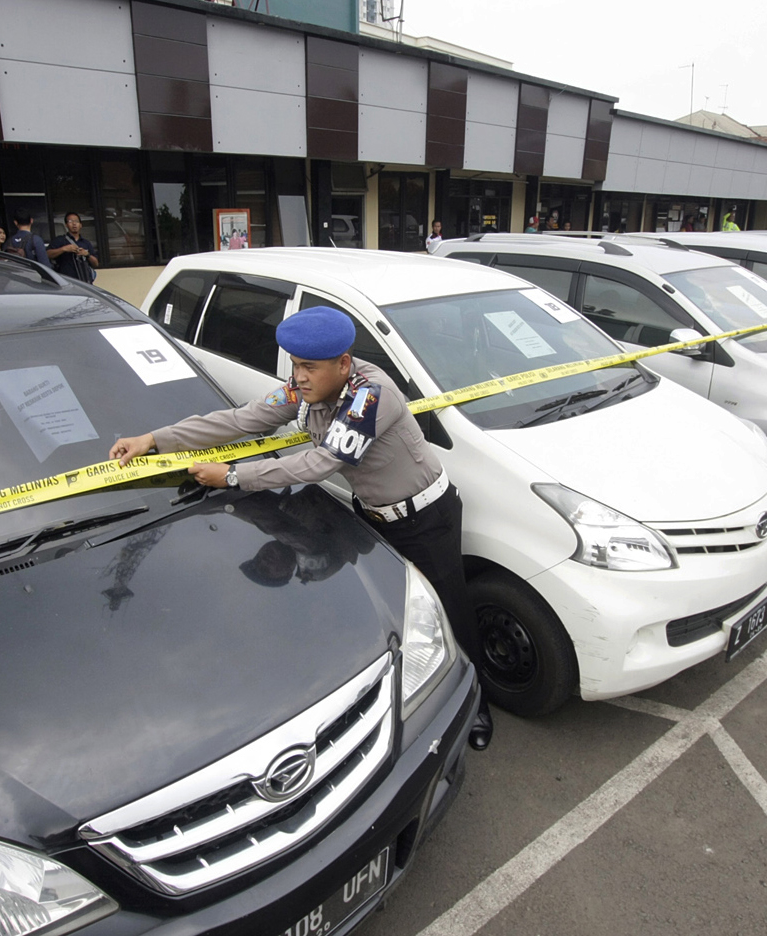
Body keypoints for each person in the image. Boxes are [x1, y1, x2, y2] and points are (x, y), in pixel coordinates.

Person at [109, 306, 494, 750]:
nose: (298, 377)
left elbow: (319, 463)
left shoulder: (371, 396)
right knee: (401, 610)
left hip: (425, 518)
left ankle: (476, 701)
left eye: (309, 366)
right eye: (294, 365)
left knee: (449, 610)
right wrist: (154, 439)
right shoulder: (302, 390)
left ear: (343, 364)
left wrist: (232, 475)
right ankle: (414, 694)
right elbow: (241, 420)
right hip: (373, 514)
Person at [47, 212, 99, 283]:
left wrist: (87, 254)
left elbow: (96, 263)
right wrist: (63, 249)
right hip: (66, 281)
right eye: (70, 221)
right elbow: (47, 254)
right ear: (66, 225)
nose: (74, 224)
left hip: (85, 281)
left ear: (80, 225)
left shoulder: (86, 243)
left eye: (76, 221)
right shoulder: (60, 240)